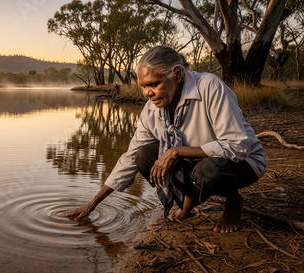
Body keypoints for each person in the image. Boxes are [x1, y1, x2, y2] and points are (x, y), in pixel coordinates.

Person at [65, 45, 267, 233]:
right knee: (144, 156)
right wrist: (93, 203)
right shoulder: (151, 110)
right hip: (197, 163)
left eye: (154, 84)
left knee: (207, 171)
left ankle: (233, 201)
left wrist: (176, 151)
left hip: (242, 163)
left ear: (177, 74)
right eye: (144, 86)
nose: (147, 93)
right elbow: (130, 157)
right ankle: (189, 197)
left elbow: (237, 146)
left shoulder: (209, 86)